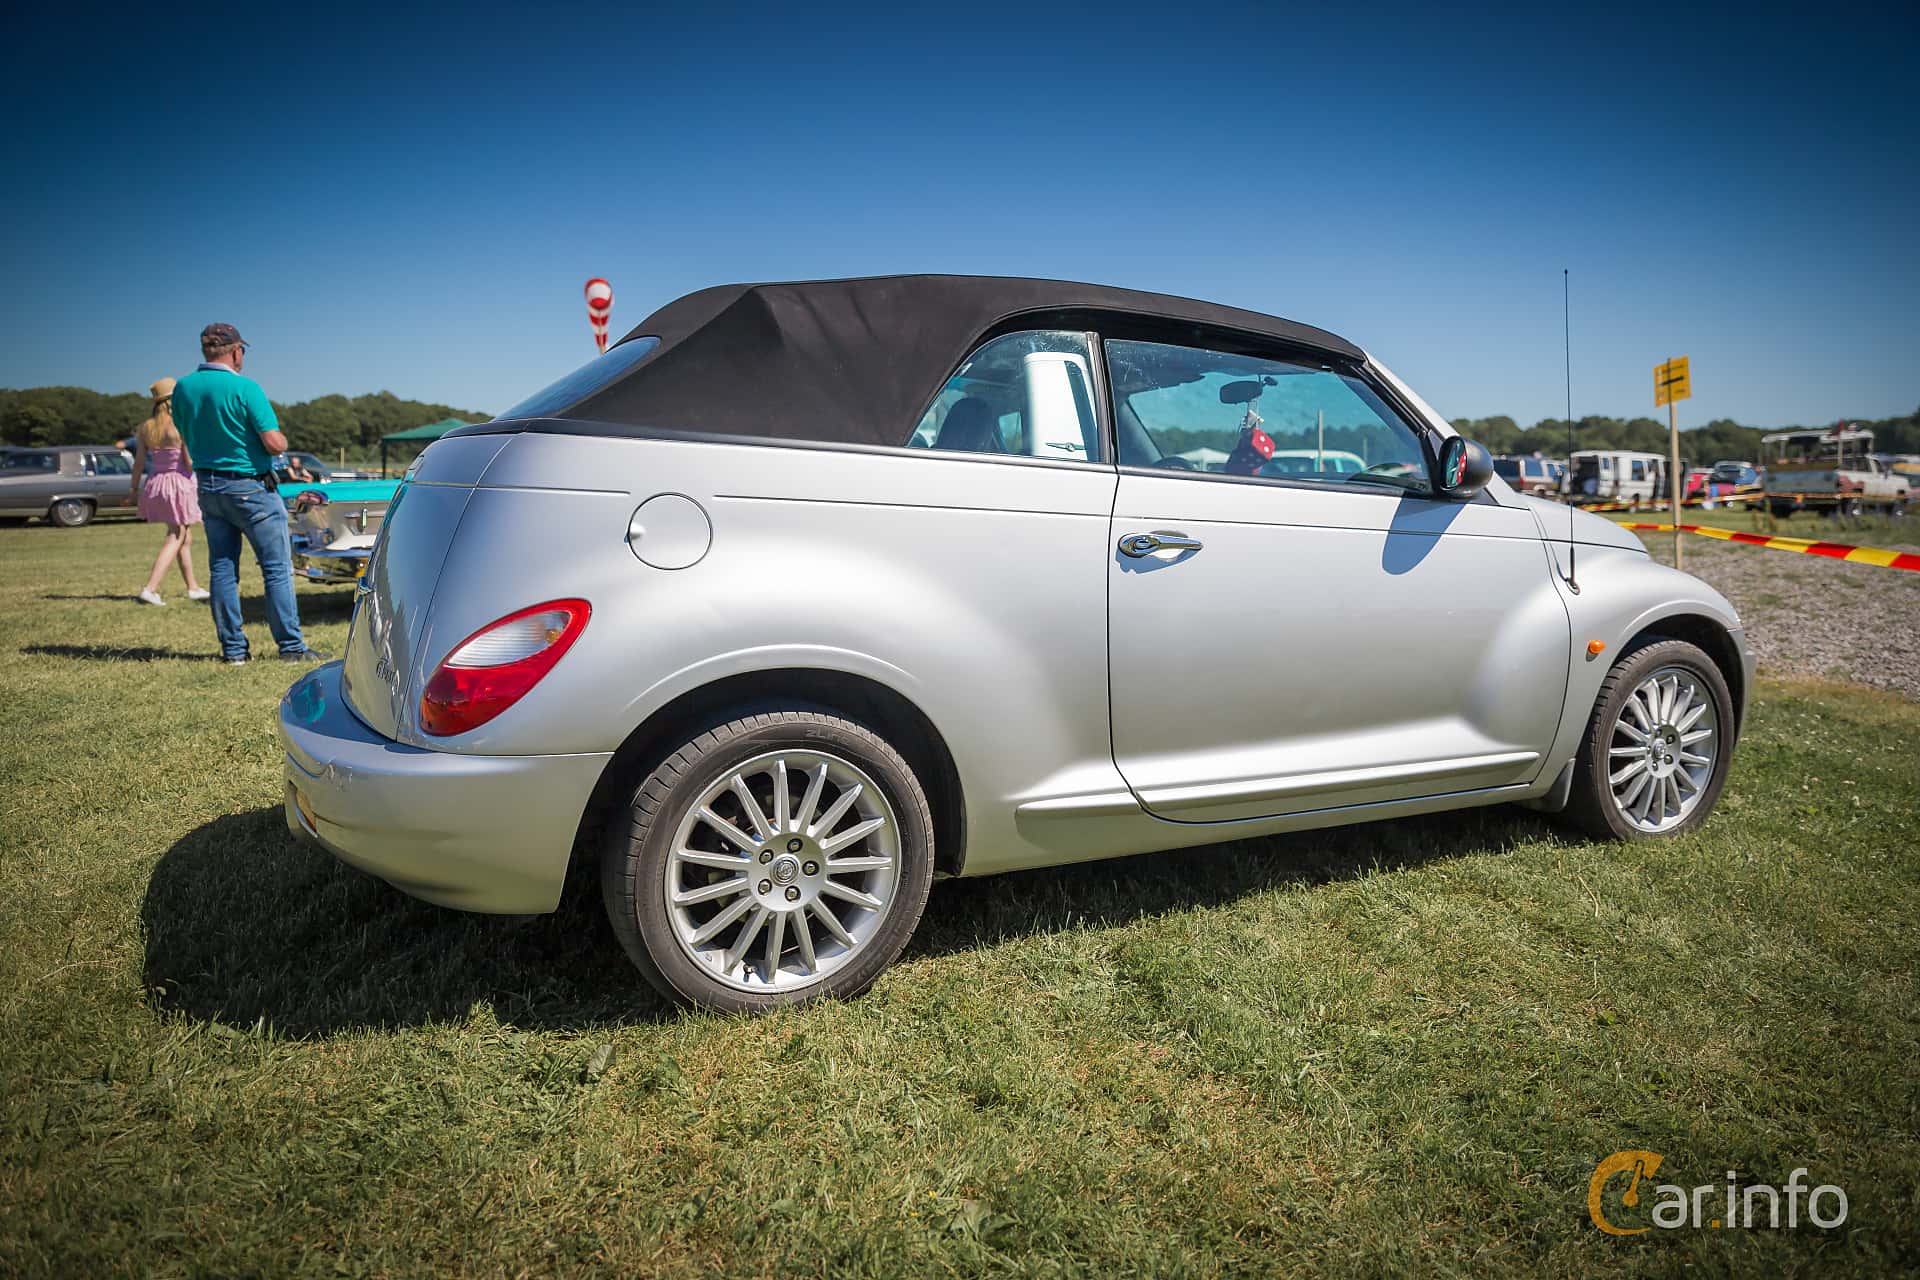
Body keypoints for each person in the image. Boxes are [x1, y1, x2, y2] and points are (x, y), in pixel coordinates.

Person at [170, 323, 327, 666]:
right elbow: (274, 443)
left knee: (222, 569)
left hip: (208, 485)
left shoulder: (183, 388)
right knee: (276, 568)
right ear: (236, 351)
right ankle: (291, 646)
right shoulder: (246, 388)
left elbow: (183, 429)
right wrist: (281, 441)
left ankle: (234, 650)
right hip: (250, 486)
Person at [124, 377, 210, 606]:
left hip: (157, 483)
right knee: (176, 535)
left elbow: (138, 463)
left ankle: (193, 587)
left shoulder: (147, 427)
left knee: (184, 536)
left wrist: (133, 490)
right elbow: (189, 463)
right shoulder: (181, 424)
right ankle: (150, 589)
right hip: (179, 484)